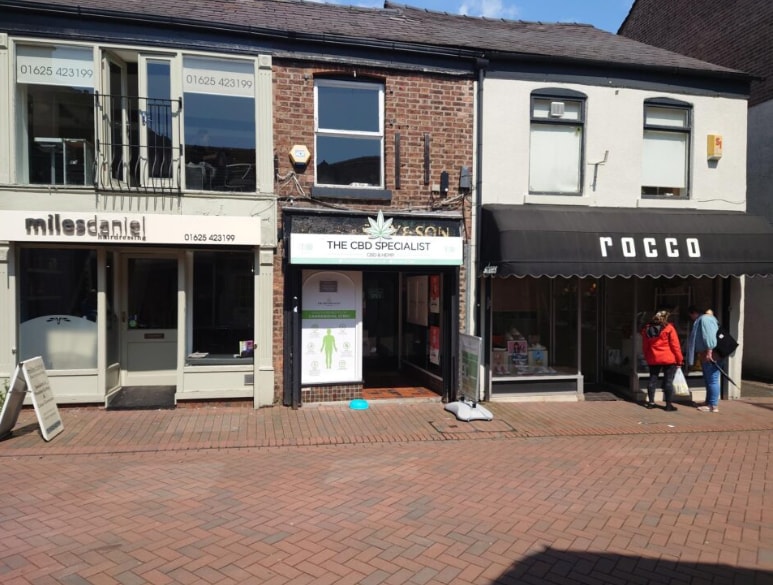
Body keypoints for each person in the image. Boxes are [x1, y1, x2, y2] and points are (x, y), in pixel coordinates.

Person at [640, 310, 683, 411]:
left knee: (652, 379)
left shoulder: (646, 329)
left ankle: (651, 403)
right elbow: (675, 346)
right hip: (668, 358)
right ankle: (668, 405)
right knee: (668, 381)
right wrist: (679, 360)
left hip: (653, 358)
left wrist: (647, 357)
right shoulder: (669, 328)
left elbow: (645, 346)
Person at [686, 305, 721, 413]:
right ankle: (708, 402)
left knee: (712, 379)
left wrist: (709, 351)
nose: (691, 319)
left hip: (710, 354)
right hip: (707, 353)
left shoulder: (705, 319)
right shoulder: (706, 319)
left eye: (690, 316)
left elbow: (709, 336)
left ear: (693, 313)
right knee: (708, 379)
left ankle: (713, 405)